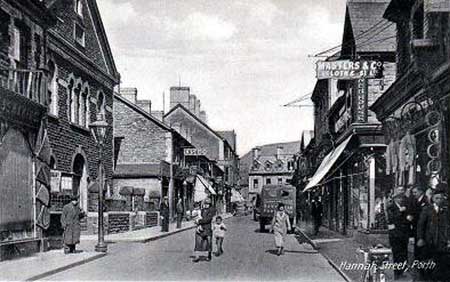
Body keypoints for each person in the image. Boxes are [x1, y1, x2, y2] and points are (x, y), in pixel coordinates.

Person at [416, 184, 449, 281]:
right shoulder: (427, 209)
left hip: (442, 241)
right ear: (433, 199)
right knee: (428, 263)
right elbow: (421, 224)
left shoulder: (446, 210)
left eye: (441, 198)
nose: (439, 200)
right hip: (429, 240)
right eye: (437, 198)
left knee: (442, 263)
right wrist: (420, 238)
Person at [387, 193, 410, 280]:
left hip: (404, 234)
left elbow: (407, 219)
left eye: (402, 198)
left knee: (404, 253)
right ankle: (397, 272)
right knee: (396, 254)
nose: (401, 200)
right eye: (399, 198)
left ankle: (402, 271)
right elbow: (391, 219)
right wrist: (400, 211)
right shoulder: (391, 207)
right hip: (395, 235)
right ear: (395, 198)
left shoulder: (404, 207)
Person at [192, 198, 216, 262]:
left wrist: (199, 221)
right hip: (200, 228)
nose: (206, 205)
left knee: (209, 242)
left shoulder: (212, 210)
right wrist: (195, 220)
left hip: (208, 229)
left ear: (210, 204)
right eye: (205, 203)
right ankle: (197, 256)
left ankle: (209, 255)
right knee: (197, 242)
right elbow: (197, 216)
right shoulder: (201, 210)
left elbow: (208, 219)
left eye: (207, 204)